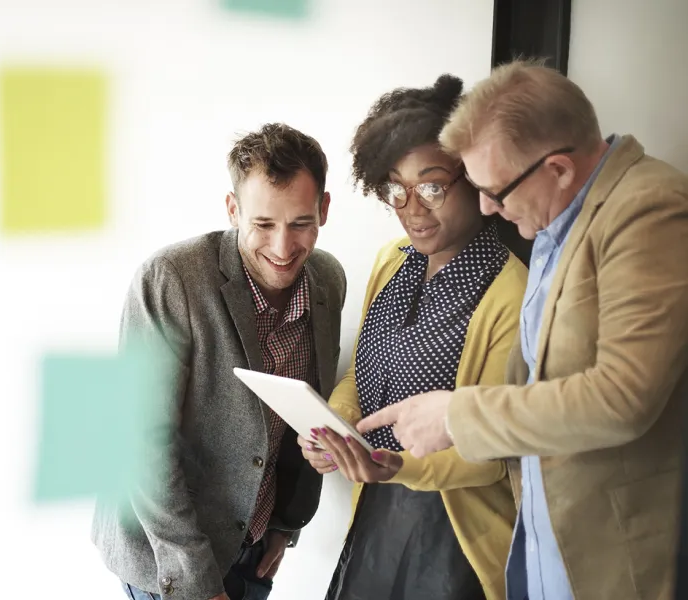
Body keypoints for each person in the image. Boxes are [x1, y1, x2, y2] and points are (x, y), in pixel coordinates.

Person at [357, 59, 688, 600]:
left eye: (496, 191)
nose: (488, 205)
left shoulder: (648, 208)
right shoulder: (554, 222)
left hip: (606, 556)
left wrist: (456, 415)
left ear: (557, 168)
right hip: (538, 546)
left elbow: (624, 396)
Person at [92, 122, 347, 600]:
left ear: (324, 209)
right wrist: (197, 582)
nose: (282, 248)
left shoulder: (328, 281)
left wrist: (286, 526)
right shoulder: (171, 278)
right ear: (233, 210)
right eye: (264, 225)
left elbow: (305, 410)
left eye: (300, 223)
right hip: (166, 557)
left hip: (255, 548)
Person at [298, 74, 529, 600]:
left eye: (431, 186)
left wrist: (397, 465)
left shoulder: (509, 292)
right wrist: (336, 425)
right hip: (377, 509)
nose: (412, 208)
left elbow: (493, 452)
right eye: (395, 189)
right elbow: (364, 371)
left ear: (473, 178)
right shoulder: (391, 260)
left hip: (454, 536)